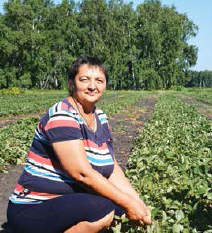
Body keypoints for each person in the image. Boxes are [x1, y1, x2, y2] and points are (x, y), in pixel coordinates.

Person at [7, 57, 151, 233]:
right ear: (71, 84)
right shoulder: (62, 116)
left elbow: (112, 167)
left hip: (69, 200)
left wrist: (136, 202)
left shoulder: (101, 117)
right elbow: (81, 173)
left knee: (121, 211)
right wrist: (128, 202)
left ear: (105, 85)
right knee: (103, 210)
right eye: (84, 80)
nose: (92, 86)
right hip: (35, 206)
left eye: (99, 80)